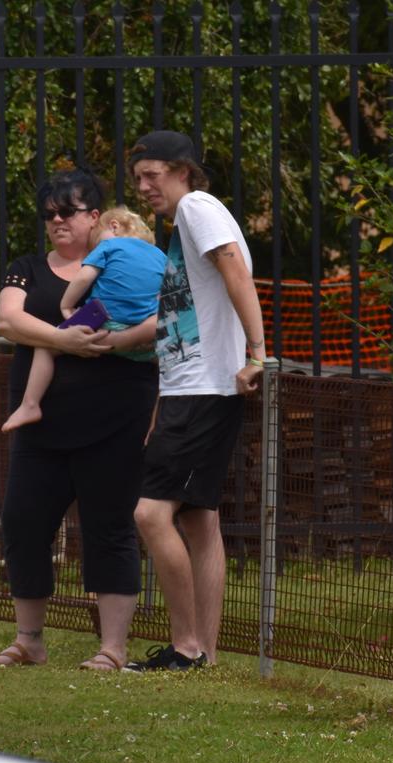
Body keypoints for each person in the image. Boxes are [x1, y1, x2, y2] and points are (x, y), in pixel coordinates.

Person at [0, 168, 158, 672]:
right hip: (42, 428)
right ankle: (28, 640)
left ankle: (113, 648)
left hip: (116, 419)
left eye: (68, 211)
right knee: (23, 521)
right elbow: (7, 319)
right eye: (49, 214)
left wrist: (115, 341)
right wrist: (64, 340)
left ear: (95, 216)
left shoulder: (128, 259)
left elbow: (163, 318)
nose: (57, 220)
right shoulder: (27, 267)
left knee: (109, 526)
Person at [123, 130, 266, 672]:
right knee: (200, 520)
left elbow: (234, 268)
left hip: (206, 389)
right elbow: (187, 319)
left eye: (152, 175)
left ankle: (185, 648)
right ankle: (204, 650)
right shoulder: (187, 221)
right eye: (138, 177)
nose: (143, 187)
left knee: (151, 513)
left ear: (183, 170)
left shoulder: (199, 207)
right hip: (193, 388)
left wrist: (258, 353)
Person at [1, 206, 166, 432]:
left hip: (105, 324)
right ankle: (157, 424)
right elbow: (162, 298)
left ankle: (30, 404)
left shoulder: (109, 246)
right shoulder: (160, 256)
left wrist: (66, 305)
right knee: (166, 367)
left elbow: (83, 279)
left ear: (114, 226)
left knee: (47, 345)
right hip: (143, 342)